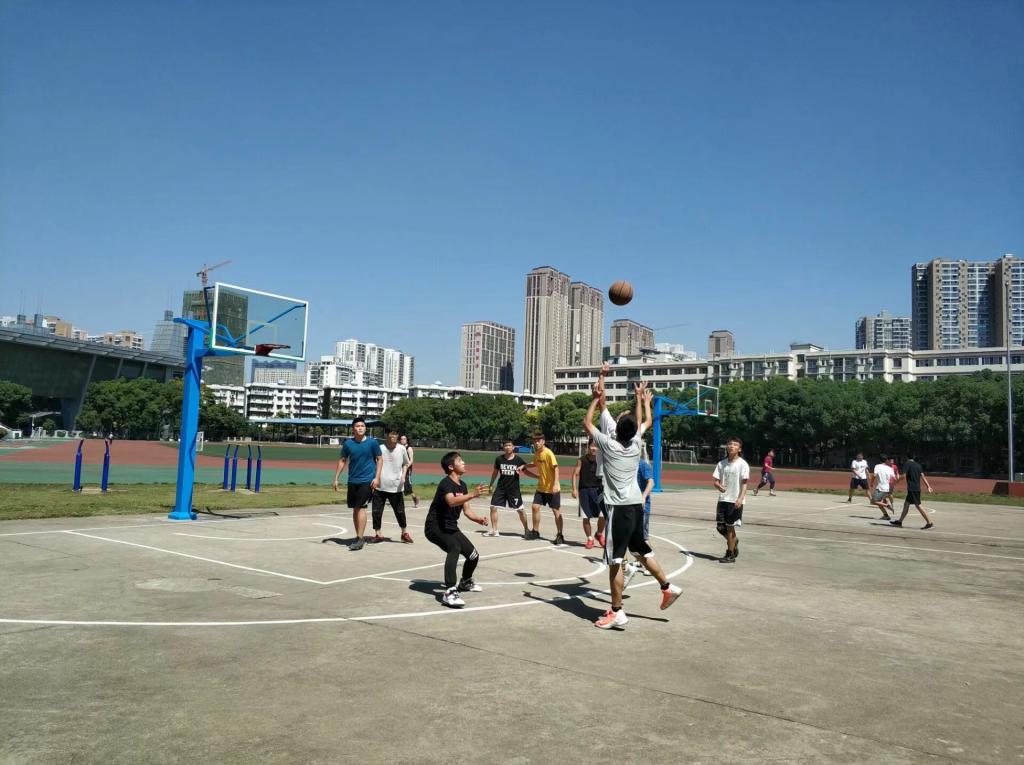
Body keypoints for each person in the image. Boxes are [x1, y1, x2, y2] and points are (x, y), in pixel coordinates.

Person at [584, 381, 682, 630]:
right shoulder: (637, 443)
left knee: (615, 561)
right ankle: (667, 587)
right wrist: (643, 400)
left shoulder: (610, 445)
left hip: (619, 509)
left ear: (617, 430)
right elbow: (645, 421)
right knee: (641, 551)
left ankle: (617, 612)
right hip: (637, 506)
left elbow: (587, 423)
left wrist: (595, 398)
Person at [424, 451, 489, 608]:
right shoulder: (445, 483)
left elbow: (466, 510)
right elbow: (452, 501)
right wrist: (472, 494)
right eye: (460, 461)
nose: (464, 462)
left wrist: (478, 519)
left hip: (451, 527)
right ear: (451, 467)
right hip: (435, 527)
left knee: (473, 555)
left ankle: (465, 582)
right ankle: (450, 592)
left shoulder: (463, 485)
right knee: (454, 547)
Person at [331, 417, 382, 551]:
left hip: (367, 480)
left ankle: (360, 538)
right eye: (357, 426)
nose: (360, 428)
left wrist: (377, 478)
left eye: (362, 426)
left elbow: (380, 459)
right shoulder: (348, 444)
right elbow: (342, 460)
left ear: (365, 428)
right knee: (355, 509)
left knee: (360, 508)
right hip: (352, 480)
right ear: (353, 429)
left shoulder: (372, 443)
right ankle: (358, 536)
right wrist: (336, 478)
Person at [370, 428, 413, 543]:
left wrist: (403, 475)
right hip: (380, 485)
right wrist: (375, 478)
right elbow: (374, 463)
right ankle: (378, 534)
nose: (394, 436)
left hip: (396, 486)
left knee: (400, 511)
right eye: (391, 434)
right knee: (376, 511)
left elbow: (405, 464)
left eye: (396, 434)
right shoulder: (380, 448)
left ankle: (404, 533)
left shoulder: (402, 449)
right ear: (386, 435)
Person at [487, 439, 536, 537]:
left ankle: (526, 530)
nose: (507, 447)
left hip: (513, 490)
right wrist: (491, 484)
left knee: (520, 510)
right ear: (503, 447)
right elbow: (495, 472)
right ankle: (494, 530)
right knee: (493, 507)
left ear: (513, 447)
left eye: (509, 445)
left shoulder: (518, 460)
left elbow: (526, 472)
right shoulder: (499, 459)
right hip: (501, 488)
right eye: (506, 445)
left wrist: (537, 477)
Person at [713, 437, 750, 563]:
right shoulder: (721, 464)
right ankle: (734, 541)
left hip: (735, 500)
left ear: (739, 449)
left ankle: (730, 554)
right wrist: (719, 486)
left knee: (729, 528)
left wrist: (740, 498)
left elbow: (744, 484)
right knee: (720, 527)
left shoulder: (743, 464)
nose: (731, 446)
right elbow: (716, 482)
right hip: (723, 499)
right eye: (729, 444)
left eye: (735, 445)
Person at [622, 450, 654, 587]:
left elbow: (651, 482)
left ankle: (650, 566)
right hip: (629, 506)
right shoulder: (627, 465)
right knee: (632, 536)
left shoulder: (643, 465)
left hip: (641, 507)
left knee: (643, 537)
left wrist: (644, 496)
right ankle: (639, 561)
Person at [527, 432, 564, 545]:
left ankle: (560, 535)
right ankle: (535, 531)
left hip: (552, 488)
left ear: (543, 441)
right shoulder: (537, 453)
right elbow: (534, 463)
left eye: (538, 441)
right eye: (534, 441)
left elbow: (556, 468)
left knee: (556, 511)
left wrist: (555, 484)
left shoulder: (548, 453)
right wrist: (524, 466)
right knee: (535, 507)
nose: (536, 443)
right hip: (541, 487)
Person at [571, 441, 606, 550]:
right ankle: (590, 539)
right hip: (584, 491)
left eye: (596, 446)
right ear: (588, 447)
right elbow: (574, 474)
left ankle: (599, 534)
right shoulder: (581, 460)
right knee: (586, 517)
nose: (594, 448)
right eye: (592, 446)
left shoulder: (602, 460)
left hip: (599, 491)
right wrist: (574, 489)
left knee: (603, 515)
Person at [892, 454, 935, 529]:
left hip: (912, 488)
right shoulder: (918, 465)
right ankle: (899, 521)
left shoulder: (907, 464)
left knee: (918, 505)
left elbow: (903, 476)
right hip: (916, 488)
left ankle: (929, 523)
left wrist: (895, 482)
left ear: (906, 457)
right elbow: (923, 477)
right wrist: (928, 486)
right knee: (906, 504)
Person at [870, 455, 896, 521]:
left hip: (881, 488)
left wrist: (871, 483)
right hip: (887, 488)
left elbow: (874, 475)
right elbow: (894, 478)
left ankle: (887, 505)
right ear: (886, 460)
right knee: (879, 502)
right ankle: (886, 515)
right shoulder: (890, 468)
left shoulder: (877, 466)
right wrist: (892, 486)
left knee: (873, 501)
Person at [397, 435, 420, 508]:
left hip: (407, 470)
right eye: (401, 439)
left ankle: (415, 498)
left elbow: (411, 460)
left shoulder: (409, 448)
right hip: (399, 469)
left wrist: (406, 467)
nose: (403, 440)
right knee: (397, 484)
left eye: (404, 439)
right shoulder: (399, 448)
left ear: (407, 440)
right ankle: (396, 501)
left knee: (407, 486)